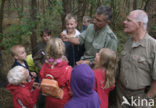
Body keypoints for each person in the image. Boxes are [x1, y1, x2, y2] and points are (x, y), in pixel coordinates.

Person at [116, 10, 156, 108]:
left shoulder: (153, 46)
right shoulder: (128, 42)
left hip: (140, 96)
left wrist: (147, 99)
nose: (124, 22)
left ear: (139, 24)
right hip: (121, 94)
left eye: (128, 20)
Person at [40, 38, 72, 108]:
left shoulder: (45, 66)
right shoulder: (68, 69)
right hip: (63, 100)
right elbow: (71, 89)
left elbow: (42, 77)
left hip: (50, 98)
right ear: (62, 50)